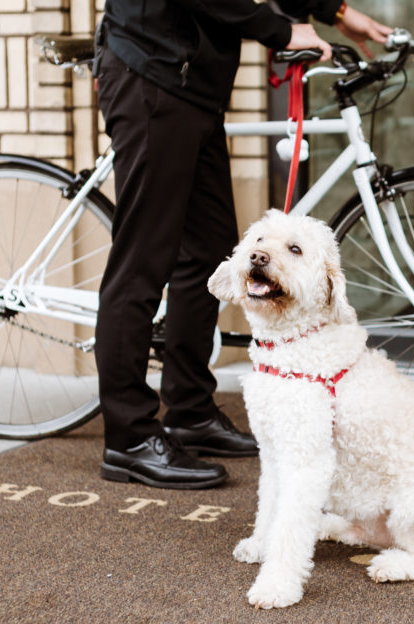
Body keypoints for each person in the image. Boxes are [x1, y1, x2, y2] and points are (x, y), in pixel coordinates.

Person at [95, 1, 391, 489]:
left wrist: (331, 10)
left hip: (191, 84)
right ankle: (127, 438)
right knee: (142, 264)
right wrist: (278, 30)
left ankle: (189, 409)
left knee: (207, 256)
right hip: (152, 70)